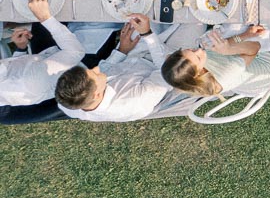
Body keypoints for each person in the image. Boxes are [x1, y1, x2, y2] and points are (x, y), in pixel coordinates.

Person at [54, 15, 196, 121]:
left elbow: (107, 67)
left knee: (145, 12)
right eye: (95, 74)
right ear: (97, 94)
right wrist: (147, 35)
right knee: (193, 18)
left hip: (135, 53)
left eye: (90, 70)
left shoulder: (69, 105)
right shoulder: (135, 100)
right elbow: (167, 71)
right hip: (170, 64)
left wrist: (122, 50)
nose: (97, 68)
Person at [0, 0, 85, 123]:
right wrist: (45, 17)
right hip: (80, 68)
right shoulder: (31, 81)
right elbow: (75, 52)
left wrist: (21, 49)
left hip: (42, 61)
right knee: (69, 4)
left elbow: (13, 72)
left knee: (46, 4)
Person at [160, 26, 270, 98]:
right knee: (263, 21)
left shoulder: (192, 70)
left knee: (235, 26)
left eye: (191, 50)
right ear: (198, 73)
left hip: (240, 60)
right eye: (198, 57)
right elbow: (255, 47)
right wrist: (228, 50)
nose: (199, 50)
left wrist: (245, 35)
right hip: (267, 63)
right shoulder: (227, 73)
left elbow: (221, 46)